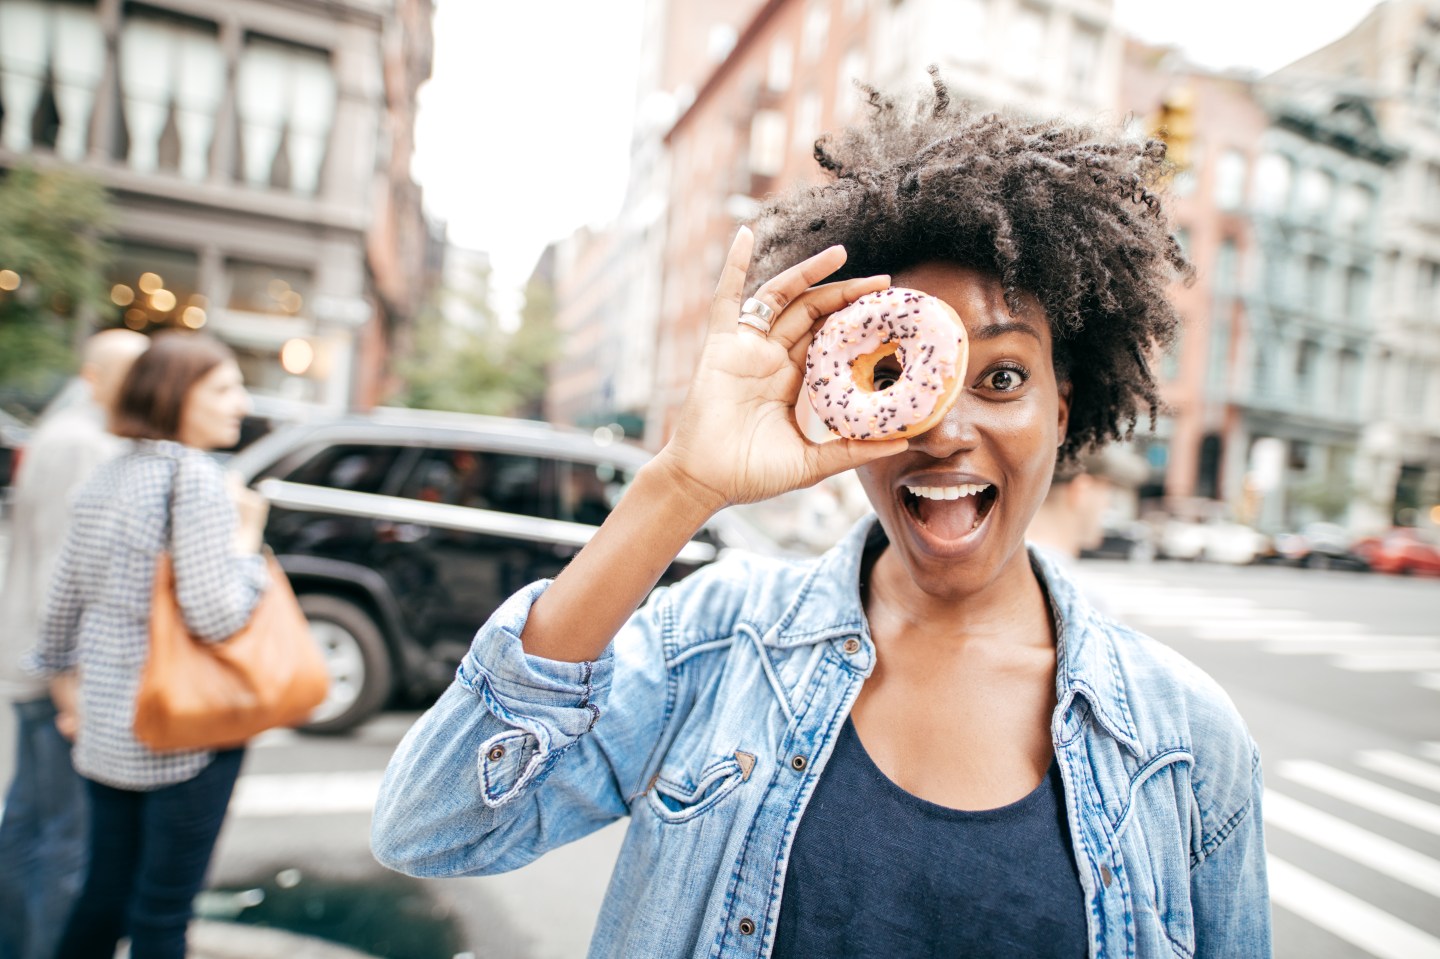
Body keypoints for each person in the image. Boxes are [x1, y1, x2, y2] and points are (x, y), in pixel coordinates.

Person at [371, 73, 1271, 958]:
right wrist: (682, 483)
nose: (946, 429)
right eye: (899, 376)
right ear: (844, 397)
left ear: (1063, 410)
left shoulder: (1184, 739)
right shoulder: (717, 644)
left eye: (1001, 378)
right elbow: (432, 826)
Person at [26, 332, 270, 959]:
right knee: (162, 914)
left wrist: (63, 687)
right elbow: (217, 617)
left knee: (101, 896)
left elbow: (61, 606)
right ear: (175, 395)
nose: (239, 402)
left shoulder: (111, 472)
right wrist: (249, 547)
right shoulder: (196, 479)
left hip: (107, 726)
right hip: (185, 732)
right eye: (222, 388)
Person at [0, 328, 149, 959]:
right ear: (95, 374)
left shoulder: (58, 438)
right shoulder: (86, 446)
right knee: (66, 838)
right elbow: (73, 572)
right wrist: (73, 686)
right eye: (134, 370)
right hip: (57, 671)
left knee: (28, 823)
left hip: (31, 656)